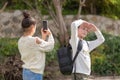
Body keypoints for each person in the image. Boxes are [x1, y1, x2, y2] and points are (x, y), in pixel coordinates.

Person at [18, 11, 54, 80]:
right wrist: (50, 34)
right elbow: (50, 46)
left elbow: (37, 49)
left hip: (25, 72)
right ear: (32, 27)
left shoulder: (20, 41)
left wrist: (43, 37)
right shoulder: (35, 40)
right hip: (35, 74)